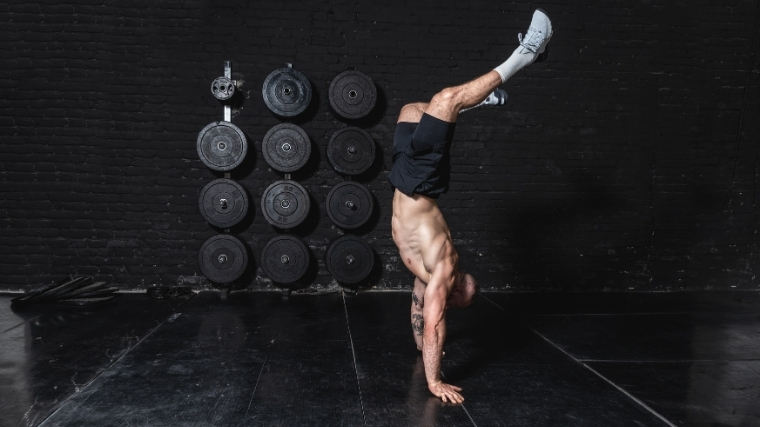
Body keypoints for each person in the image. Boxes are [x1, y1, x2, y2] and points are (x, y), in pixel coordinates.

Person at [389, 9, 553, 404]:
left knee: (417, 109)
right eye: (463, 286)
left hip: (406, 180)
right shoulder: (439, 266)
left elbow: (424, 324)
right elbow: (427, 321)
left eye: (462, 289)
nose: (460, 284)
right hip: (420, 183)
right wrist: (432, 372)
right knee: (443, 100)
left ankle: (503, 78)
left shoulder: (430, 277)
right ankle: (524, 57)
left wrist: (430, 377)